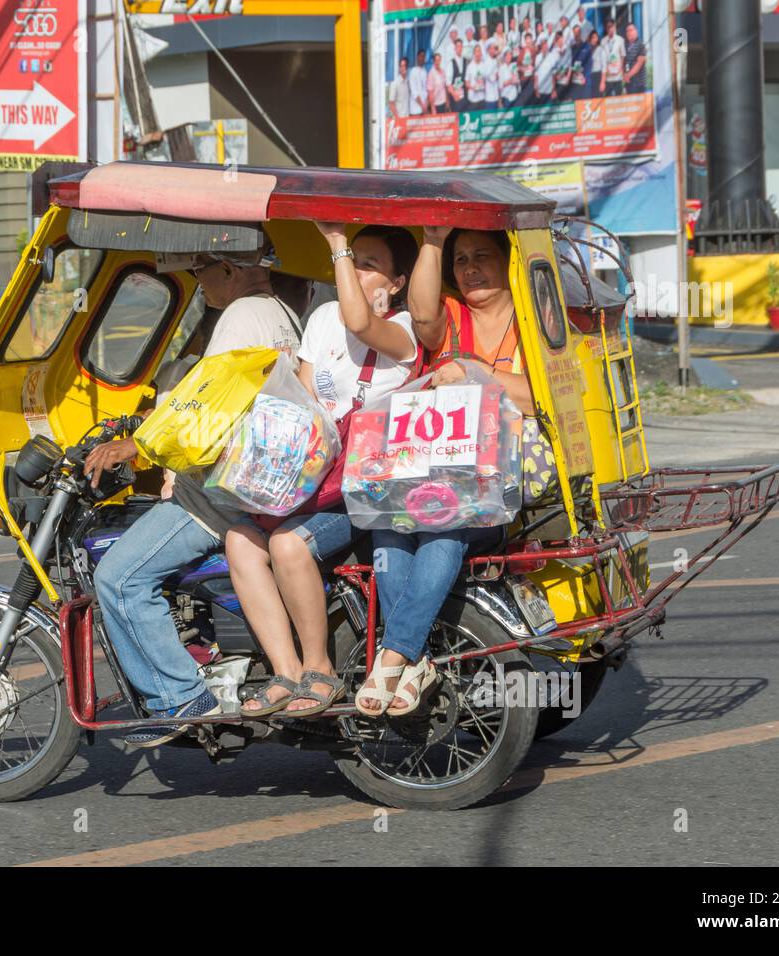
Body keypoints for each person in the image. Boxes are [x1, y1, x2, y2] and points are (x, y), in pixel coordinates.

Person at [86, 250, 300, 748]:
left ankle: (179, 697)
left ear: (228, 269)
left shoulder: (241, 315)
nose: (197, 282)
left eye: (201, 271)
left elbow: (206, 405)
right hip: (265, 483)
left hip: (219, 494)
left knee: (119, 579)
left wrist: (136, 447)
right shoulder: (283, 313)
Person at [227, 224, 419, 719]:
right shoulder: (323, 317)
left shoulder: (405, 330)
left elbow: (360, 322)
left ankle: (321, 669)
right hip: (318, 474)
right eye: (352, 261)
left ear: (397, 283)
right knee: (239, 541)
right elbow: (306, 399)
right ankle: (286, 670)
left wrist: (336, 243)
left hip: (367, 484)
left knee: (288, 544)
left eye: (368, 263)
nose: (354, 271)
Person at [354, 227, 535, 717]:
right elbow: (425, 314)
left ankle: (393, 656)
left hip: (498, 490)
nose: (471, 267)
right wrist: (432, 240)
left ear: (507, 263)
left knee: (443, 533)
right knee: (387, 526)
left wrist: (476, 372)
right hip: (427, 482)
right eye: (460, 260)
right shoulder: (452, 317)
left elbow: (538, 396)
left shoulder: (532, 326)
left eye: (482, 256)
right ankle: (413, 663)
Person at [601, 19, 626, 97]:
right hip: (608, 77)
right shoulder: (603, 41)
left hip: (618, 76)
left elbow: (623, 56)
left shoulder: (620, 40)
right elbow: (603, 61)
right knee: (608, 101)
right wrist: (603, 80)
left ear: (614, 27)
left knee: (619, 100)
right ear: (606, 28)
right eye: (608, 27)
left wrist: (621, 70)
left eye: (612, 27)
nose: (610, 29)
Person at [624, 22, 647, 95]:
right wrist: (624, 74)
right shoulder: (625, 45)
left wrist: (628, 75)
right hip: (628, 83)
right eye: (627, 31)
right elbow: (623, 61)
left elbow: (639, 64)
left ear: (636, 31)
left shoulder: (641, 45)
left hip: (639, 83)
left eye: (631, 30)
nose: (629, 33)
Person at [447, 39, 469, 112]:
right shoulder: (451, 63)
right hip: (455, 98)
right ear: (455, 48)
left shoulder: (465, 61)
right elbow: (448, 84)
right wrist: (454, 95)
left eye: (461, 46)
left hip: (465, 97)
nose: (459, 48)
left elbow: (466, 79)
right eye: (458, 46)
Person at [465, 45, 488, 112]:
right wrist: (473, 87)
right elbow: (466, 83)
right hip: (473, 99)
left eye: (479, 51)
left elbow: (485, 80)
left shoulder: (484, 65)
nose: (478, 53)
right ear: (474, 53)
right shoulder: (470, 66)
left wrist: (483, 85)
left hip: (482, 98)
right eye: (476, 51)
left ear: (481, 53)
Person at [409, 49, 429, 116]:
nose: (422, 58)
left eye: (424, 57)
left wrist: (426, 104)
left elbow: (426, 90)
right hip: (415, 110)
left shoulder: (425, 71)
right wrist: (422, 105)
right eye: (421, 56)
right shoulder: (413, 72)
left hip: (424, 109)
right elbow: (414, 92)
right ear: (417, 57)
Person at [589, 29, 604, 99]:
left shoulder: (601, 49)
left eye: (595, 37)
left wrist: (602, 82)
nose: (593, 39)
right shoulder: (588, 50)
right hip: (590, 76)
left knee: (598, 97)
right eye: (592, 37)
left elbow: (604, 66)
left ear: (598, 39)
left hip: (598, 75)